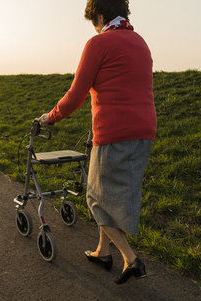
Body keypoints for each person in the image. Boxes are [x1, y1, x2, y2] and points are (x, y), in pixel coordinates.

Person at [38, 0, 157, 284]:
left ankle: (130, 258)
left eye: (94, 21)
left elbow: (76, 92)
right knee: (107, 194)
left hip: (114, 133)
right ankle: (103, 251)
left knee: (95, 199)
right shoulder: (140, 42)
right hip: (144, 131)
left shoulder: (99, 44)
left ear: (100, 16)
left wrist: (50, 118)